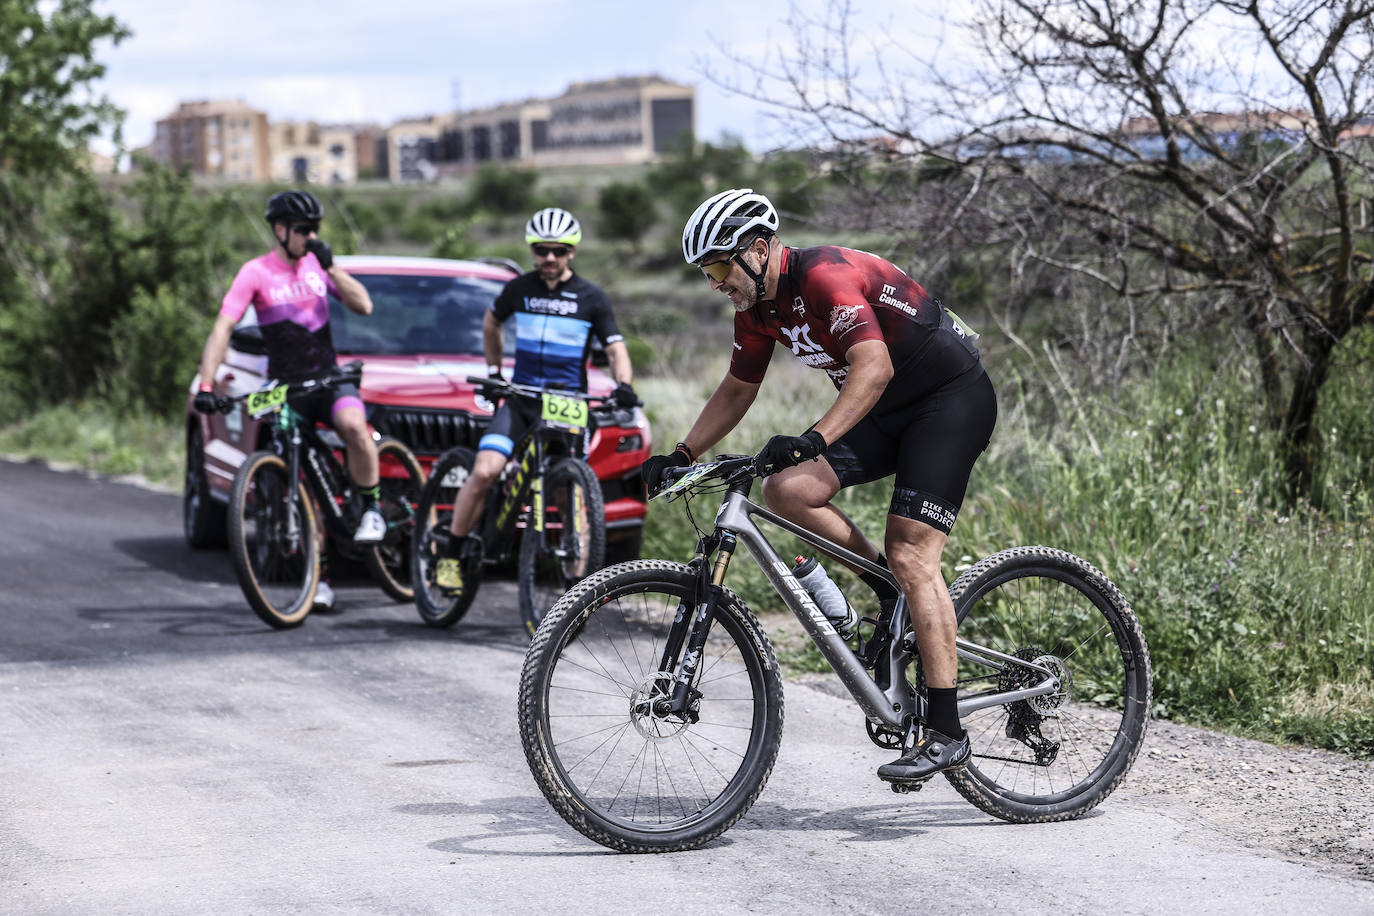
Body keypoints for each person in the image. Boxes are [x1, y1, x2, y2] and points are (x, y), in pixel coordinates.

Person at [641, 188, 997, 784]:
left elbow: (874, 365)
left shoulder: (825, 277)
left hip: (948, 400)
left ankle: (946, 732)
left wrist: (813, 437)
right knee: (786, 490)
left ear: (757, 250)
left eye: (719, 267)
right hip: (887, 409)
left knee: (914, 553)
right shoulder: (756, 308)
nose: (714, 283)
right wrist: (681, 452)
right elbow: (737, 388)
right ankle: (888, 589)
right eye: (706, 272)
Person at [434, 207, 638, 595]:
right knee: (484, 471)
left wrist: (623, 384)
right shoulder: (519, 289)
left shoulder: (591, 297)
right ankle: (451, 555)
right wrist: (495, 372)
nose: (549, 258)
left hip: (567, 402)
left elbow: (615, 348)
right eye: (542, 250)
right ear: (532, 250)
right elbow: (491, 322)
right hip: (521, 399)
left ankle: (577, 582)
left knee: (569, 488)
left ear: (571, 252)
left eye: (558, 251)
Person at [193, 189, 382, 610]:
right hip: (287, 385)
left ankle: (371, 508)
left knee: (354, 427)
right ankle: (321, 578)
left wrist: (331, 265)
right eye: (302, 230)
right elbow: (223, 327)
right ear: (280, 230)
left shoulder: (319, 264)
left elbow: (364, 306)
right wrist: (206, 386)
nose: (310, 236)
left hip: (329, 378)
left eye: (315, 229)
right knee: (300, 483)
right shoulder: (256, 272)